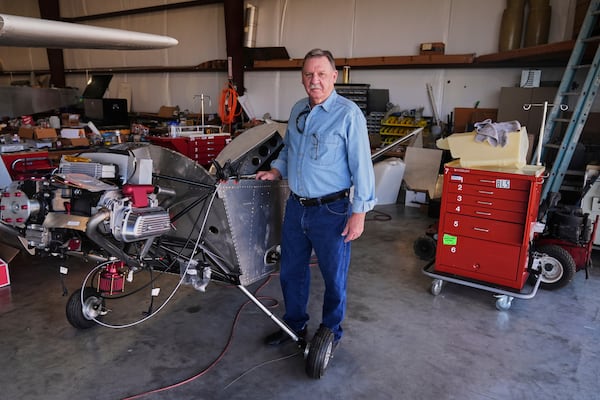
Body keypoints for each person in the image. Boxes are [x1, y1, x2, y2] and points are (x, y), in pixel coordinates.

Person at [256, 48, 376, 349]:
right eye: (309, 74)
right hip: (296, 207)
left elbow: (362, 166)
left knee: (334, 278)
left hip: (332, 210)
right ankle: (294, 326)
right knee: (291, 272)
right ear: (302, 79)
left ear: (334, 77)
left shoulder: (348, 114)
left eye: (322, 74)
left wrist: (359, 212)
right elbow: (288, 150)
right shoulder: (298, 109)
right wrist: (275, 171)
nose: (315, 80)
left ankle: (330, 332)